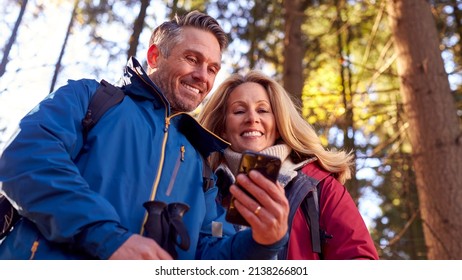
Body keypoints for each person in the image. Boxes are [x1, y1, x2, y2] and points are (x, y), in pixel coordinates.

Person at [0, 11, 289, 260]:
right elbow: (25, 159)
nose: (203, 75)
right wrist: (110, 239)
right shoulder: (90, 99)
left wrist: (261, 243)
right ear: (154, 56)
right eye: (192, 58)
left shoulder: (201, 163)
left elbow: (206, 252)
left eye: (212, 68)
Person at [198, 70, 379, 260]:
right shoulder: (206, 191)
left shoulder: (318, 187)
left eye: (263, 110)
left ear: (278, 125)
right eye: (239, 111)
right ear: (223, 129)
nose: (252, 118)